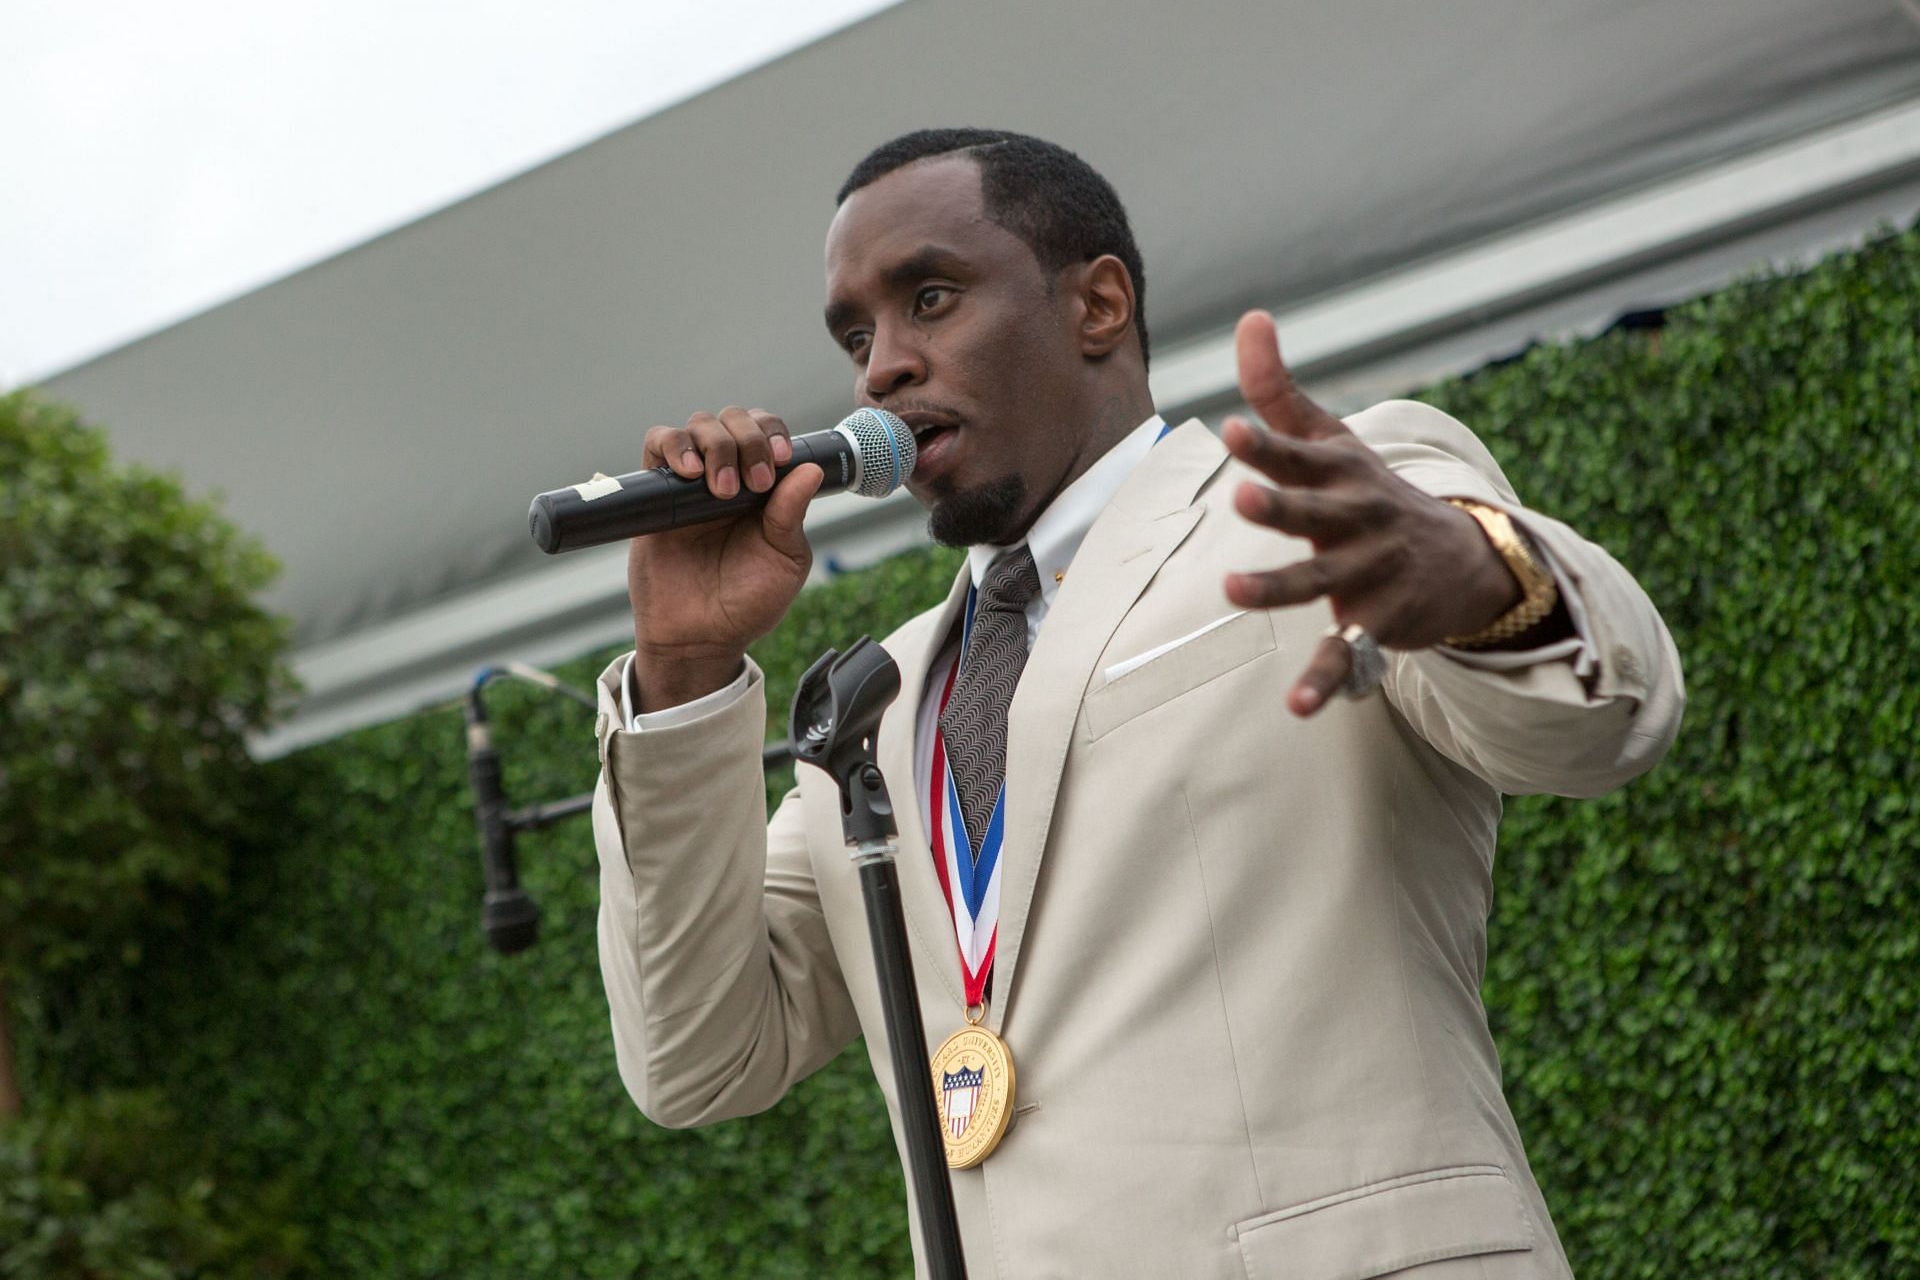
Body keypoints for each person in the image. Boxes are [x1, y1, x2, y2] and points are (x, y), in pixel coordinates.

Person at [590, 128, 1682, 1280]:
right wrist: (683, 665)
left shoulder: (1319, 509)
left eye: (930, 297)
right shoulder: (877, 704)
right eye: (858, 336)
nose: (882, 369)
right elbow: (695, 1060)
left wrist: (1480, 580)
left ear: (1098, 304)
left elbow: (1610, 719)